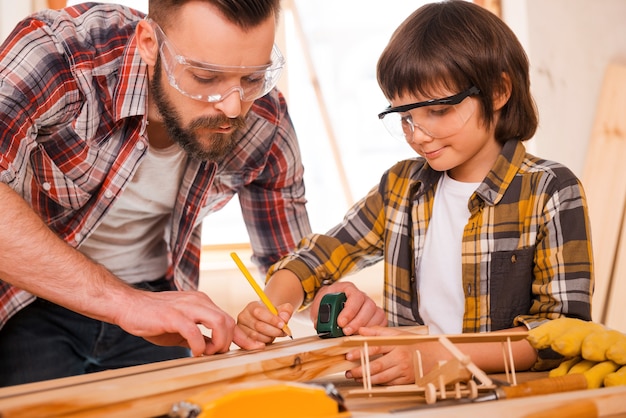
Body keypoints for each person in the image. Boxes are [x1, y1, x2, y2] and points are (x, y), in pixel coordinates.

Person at [237, 0, 594, 386]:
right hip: (414, 394)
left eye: (437, 111)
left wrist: (438, 357)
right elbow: (319, 255)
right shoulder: (403, 188)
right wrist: (270, 306)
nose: (418, 135)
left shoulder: (551, 190)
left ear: (498, 91)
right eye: (405, 117)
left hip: (513, 399)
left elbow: (562, 335)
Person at [0, 0, 312, 386]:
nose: (233, 108)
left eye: (251, 79)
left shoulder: (266, 119)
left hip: (159, 307)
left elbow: (293, 260)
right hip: (28, 300)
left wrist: (326, 300)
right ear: (149, 43)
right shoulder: (60, 53)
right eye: (205, 77)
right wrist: (123, 303)